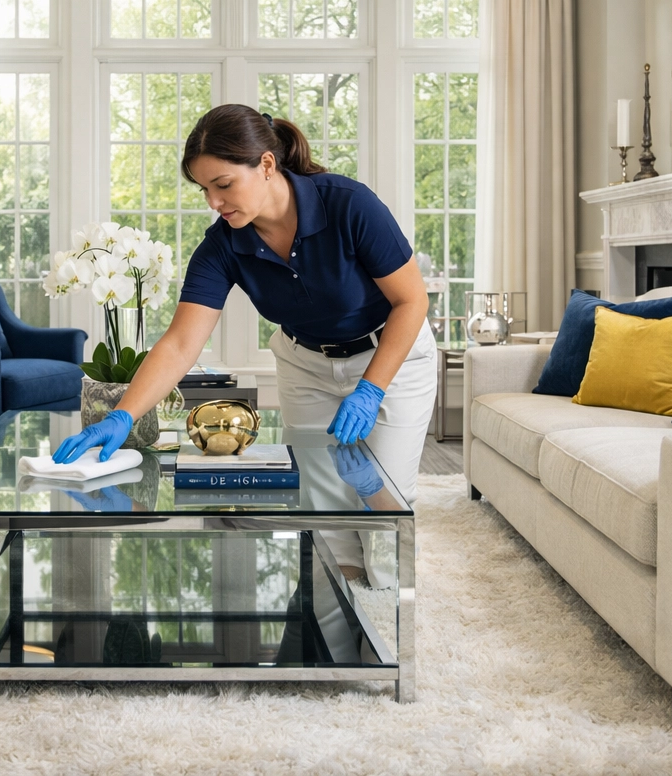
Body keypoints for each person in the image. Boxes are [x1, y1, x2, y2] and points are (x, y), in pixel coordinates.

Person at [52, 103, 438, 583]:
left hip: (390, 357)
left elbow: (411, 302)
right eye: (204, 189)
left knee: (384, 493)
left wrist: (371, 388)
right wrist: (122, 414)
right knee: (322, 500)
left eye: (223, 184)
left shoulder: (348, 204)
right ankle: (338, 609)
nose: (213, 201)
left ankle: (391, 609)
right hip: (306, 366)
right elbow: (179, 344)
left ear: (267, 165)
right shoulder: (223, 246)